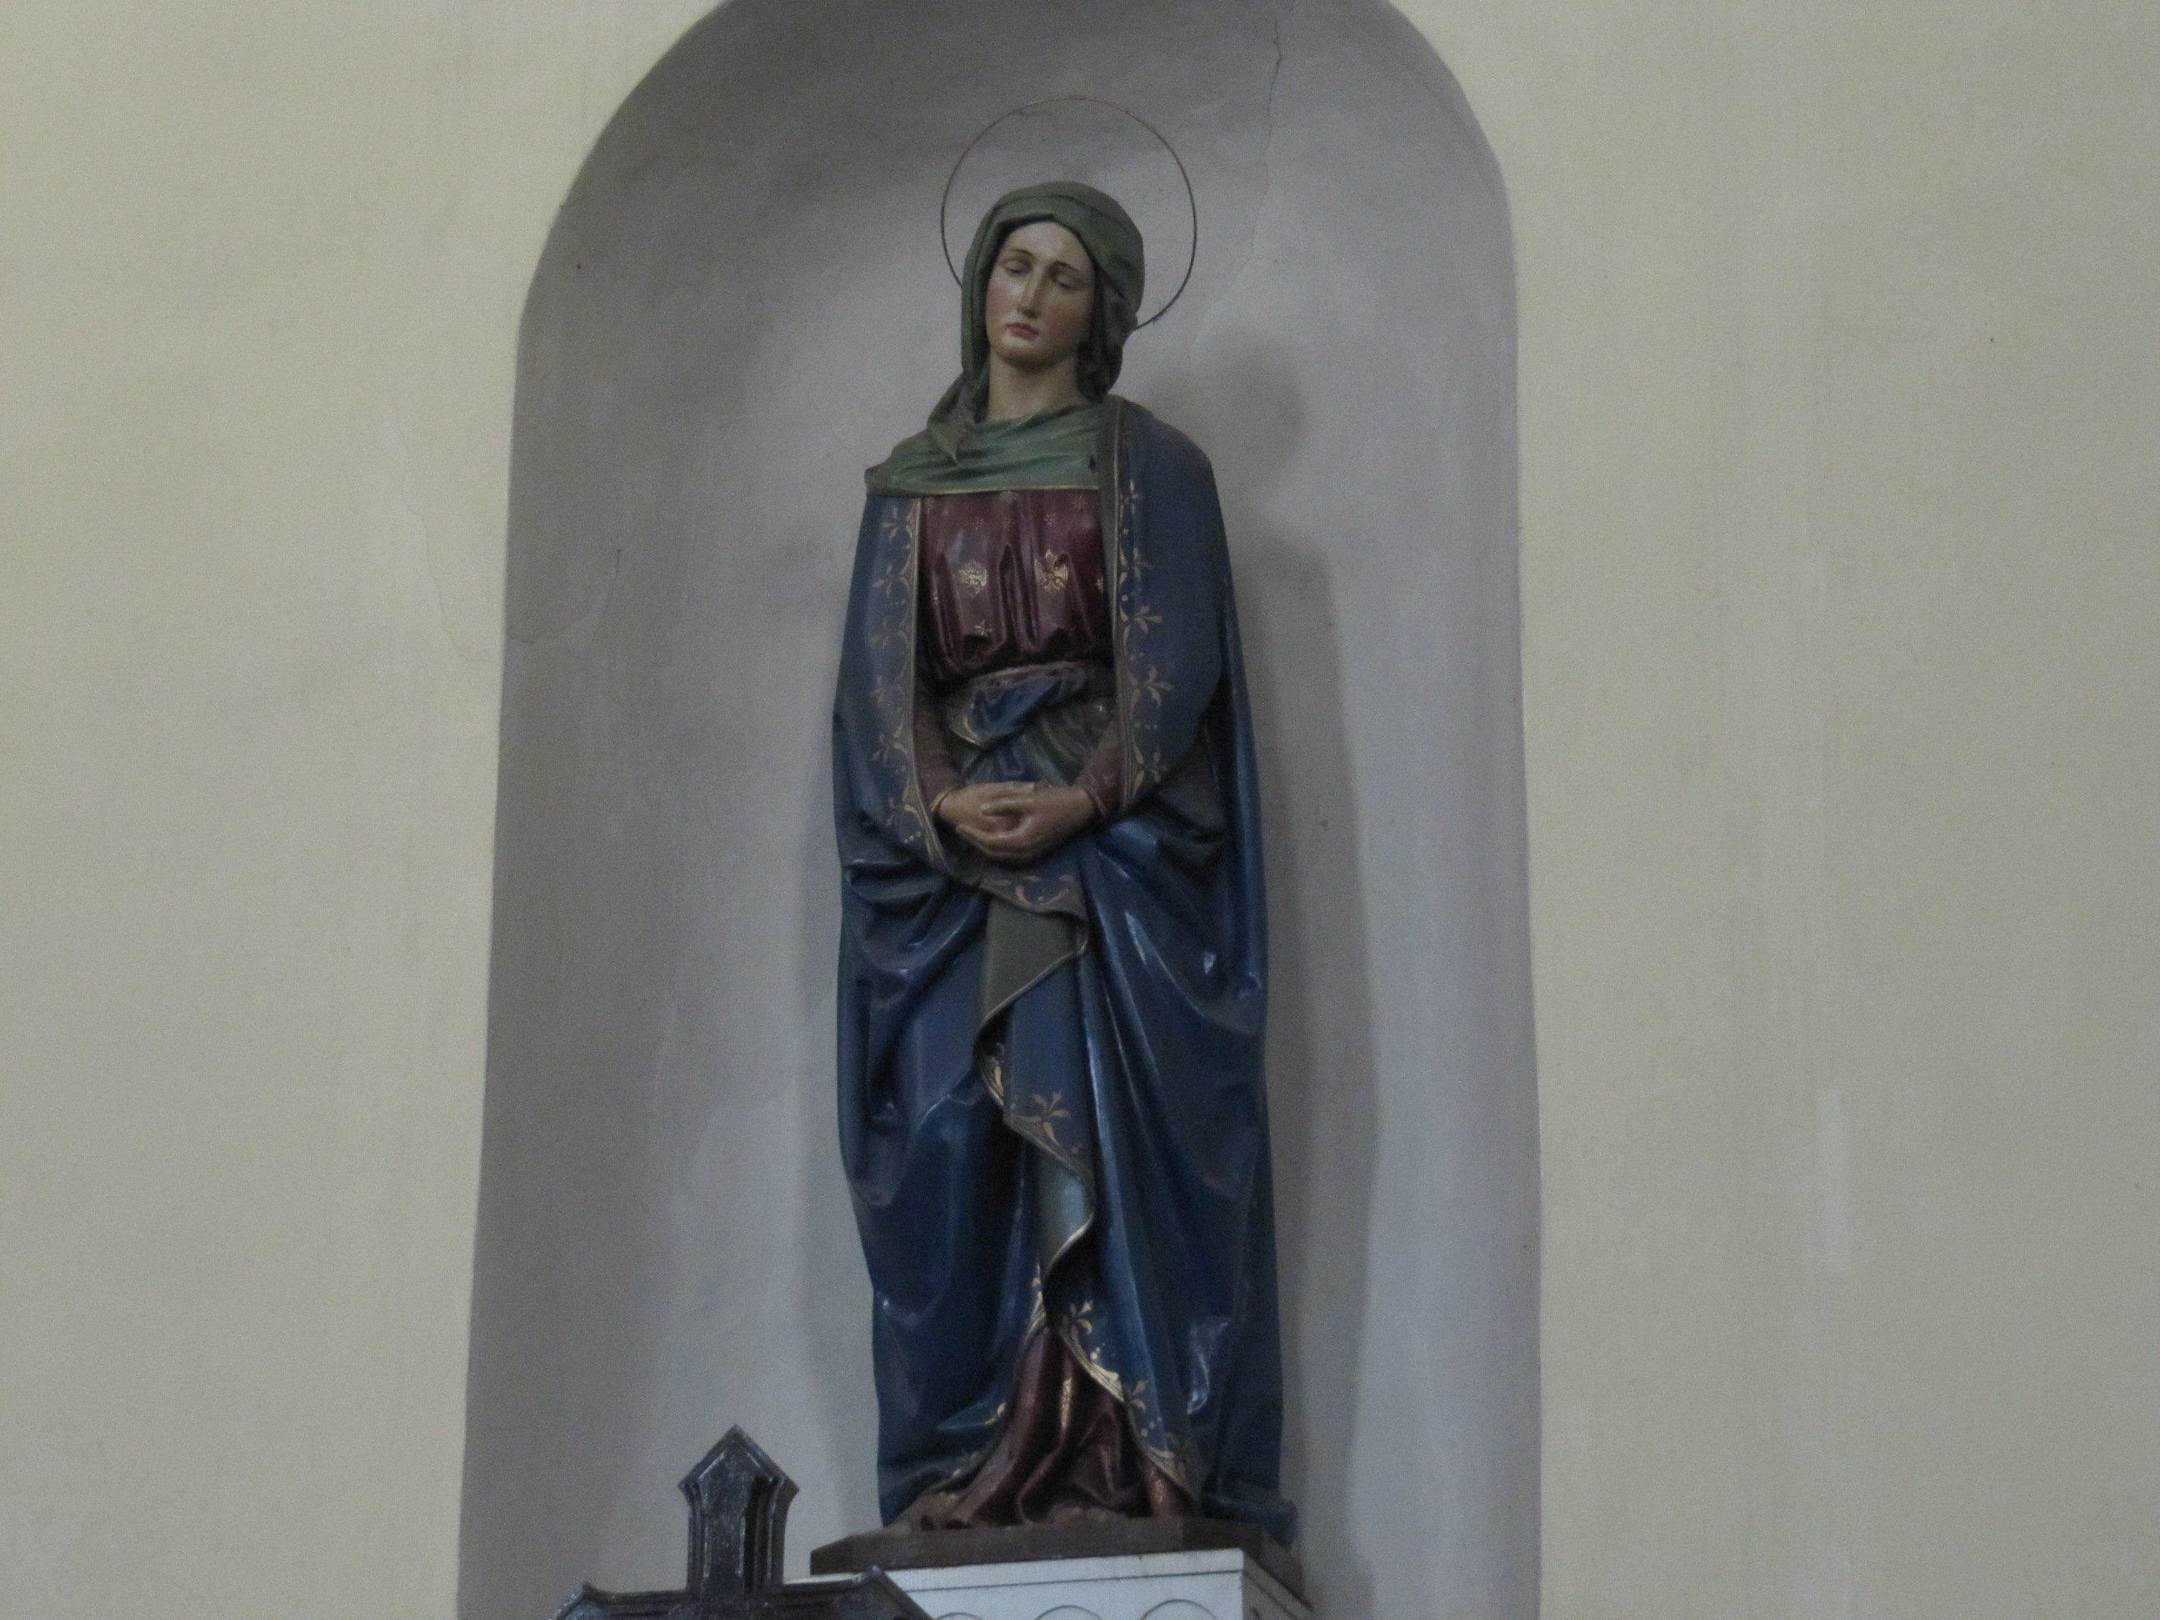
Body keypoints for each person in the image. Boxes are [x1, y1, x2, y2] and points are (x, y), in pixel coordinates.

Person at [832, 180, 1292, 1544]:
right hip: (956, 865)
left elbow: (1180, 663)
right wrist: (939, 799)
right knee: (947, 1134)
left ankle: (1133, 1452)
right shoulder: (911, 484)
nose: (1029, 296)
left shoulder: (1154, 469)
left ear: (1105, 315)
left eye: (1065, 277)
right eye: (1013, 266)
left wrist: (1081, 799)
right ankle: (977, 1449)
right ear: (978, 281)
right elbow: (878, 685)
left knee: (1112, 1125)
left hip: (1116, 860)